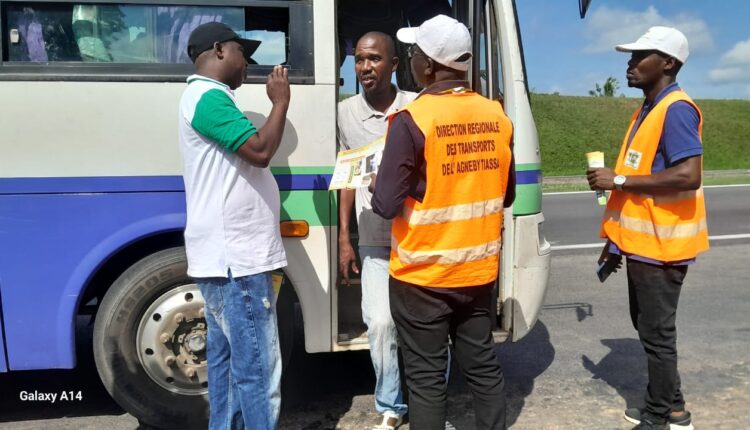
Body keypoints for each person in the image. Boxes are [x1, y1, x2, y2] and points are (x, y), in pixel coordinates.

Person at [371, 15, 516, 430]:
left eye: (413, 54)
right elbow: (505, 195)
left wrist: (376, 181)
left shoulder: (412, 120)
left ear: (429, 66)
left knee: (426, 380)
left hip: (422, 276)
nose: (410, 60)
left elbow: (385, 205)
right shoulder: (497, 116)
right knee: (482, 367)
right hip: (478, 272)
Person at [587, 26, 707, 430]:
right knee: (648, 327)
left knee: (657, 335)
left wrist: (618, 180)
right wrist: (615, 243)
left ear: (668, 63)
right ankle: (674, 408)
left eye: (641, 56)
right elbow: (640, 180)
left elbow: (688, 174)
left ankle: (659, 417)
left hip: (663, 247)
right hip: (642, 244)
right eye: (631, 56)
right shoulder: (648, 110)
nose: (630, 63)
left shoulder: (676, 109)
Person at [178, 21, 290, 430]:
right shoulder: (208, 97)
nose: (248, 64)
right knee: (258, 371)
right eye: (243, 53)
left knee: (226, 369)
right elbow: (260, 151)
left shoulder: (207, 98)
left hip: (229, 259)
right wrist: (280, 103)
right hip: (238, 262)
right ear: (220, 49)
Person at [337, 31, 416, 430]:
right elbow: (347, 176)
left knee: (424, 326)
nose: (365, 67)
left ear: (395, 64)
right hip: (373, 236)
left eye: (374, 59)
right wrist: (344, 237)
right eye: (359, 59)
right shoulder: (344, 113)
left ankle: (429, 400)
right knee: (381, 322)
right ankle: (390, 405)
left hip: (418, 236)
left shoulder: (417, 106)